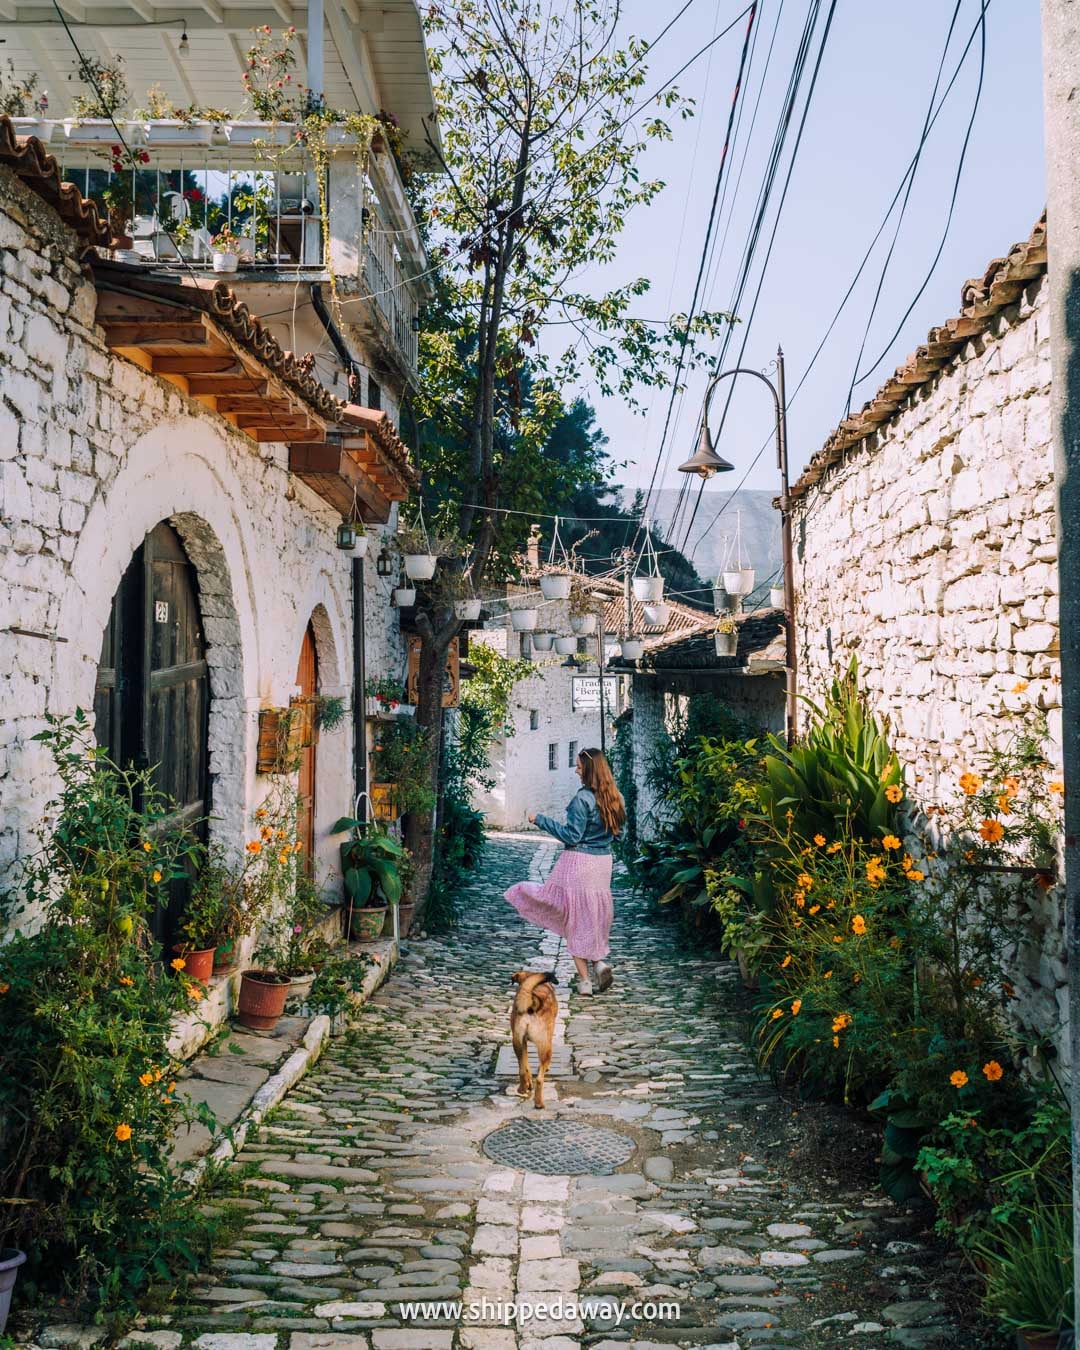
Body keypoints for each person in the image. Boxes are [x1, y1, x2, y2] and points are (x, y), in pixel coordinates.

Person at [504, 746, 625, 995]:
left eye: (579, 766)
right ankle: (599, 964)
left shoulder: (582, 799)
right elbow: (618, 834)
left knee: (573, 918)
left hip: (579, 862)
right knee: (590, 915)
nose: (576, 769)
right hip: (603, 864)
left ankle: (584, 982)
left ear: (589, 769)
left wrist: (540, 819)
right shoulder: (614, 797)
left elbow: (571, 835)